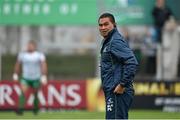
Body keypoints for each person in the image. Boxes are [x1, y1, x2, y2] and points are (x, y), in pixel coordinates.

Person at [98, 13, 138, 119]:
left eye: (106, 24)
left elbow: (131, 62)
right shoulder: (108, 41)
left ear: (114, 25)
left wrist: (122, 85)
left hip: (117, 91)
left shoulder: (114, 42)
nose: (103, 27)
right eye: (100, 25)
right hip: (113, 91)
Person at [13, 40, 48, 115]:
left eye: (31, 45)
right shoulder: (22, 55)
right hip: (26, 77)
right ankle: (20, 109)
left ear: (34, 47)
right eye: (28, 45)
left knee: (35, 94)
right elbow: (18, 64)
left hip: (36, 77)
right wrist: (15, 74)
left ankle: (35, 109)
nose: (29, 47)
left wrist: (44, 75)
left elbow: (43, 65)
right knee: (23, 92)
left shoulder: (39, 55)